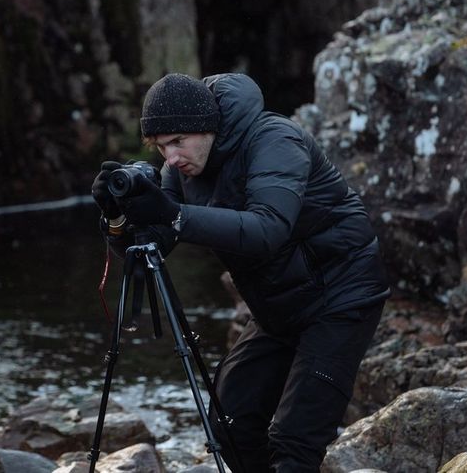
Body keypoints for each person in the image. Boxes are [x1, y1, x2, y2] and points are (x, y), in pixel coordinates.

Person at [91, 72, 390, 472]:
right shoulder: (181, 170)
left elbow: (267, 229)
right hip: (277, 308)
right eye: (162, 148)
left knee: (295, 437)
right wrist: (116, 219)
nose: (172, 158)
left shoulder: (274, 139)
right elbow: (150, 247)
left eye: (178, 141)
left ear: (208, 126)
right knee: (229, 421)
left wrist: (174, 213)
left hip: (342, 295)